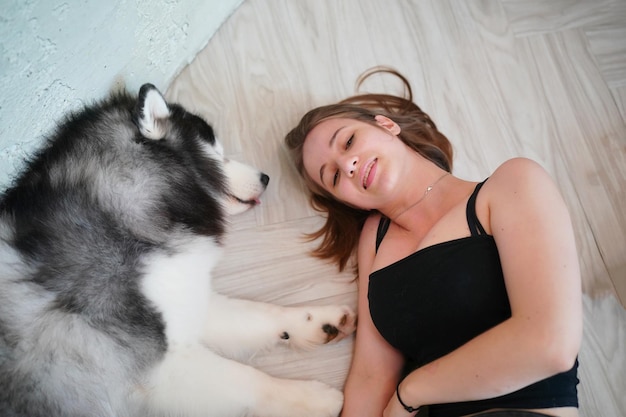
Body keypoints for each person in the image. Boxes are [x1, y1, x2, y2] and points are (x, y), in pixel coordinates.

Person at [284, 67, 582, 417]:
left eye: (348, 141)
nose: (347, 164)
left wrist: (411, 391)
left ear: (386, 125)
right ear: (348, 202)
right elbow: (370, 375)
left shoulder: (511, 184)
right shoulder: (374, 242)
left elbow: (549, 344)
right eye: (333, 176)